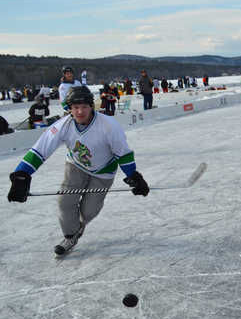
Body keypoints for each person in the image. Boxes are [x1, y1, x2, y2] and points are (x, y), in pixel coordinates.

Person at [7, 86, 149, 256]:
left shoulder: (109, 125)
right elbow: (39, 151)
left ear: (91, 106)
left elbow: (123, 154)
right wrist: (21, 176)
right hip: (75, 166)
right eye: (75, 107)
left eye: (84, 107)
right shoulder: (62, 125)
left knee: (89, 211)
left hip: (103, 171)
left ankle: (78, 227)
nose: (80, 111)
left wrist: (133, 176)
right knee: (64, 202)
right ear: (69, 109)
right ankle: (70, 236)